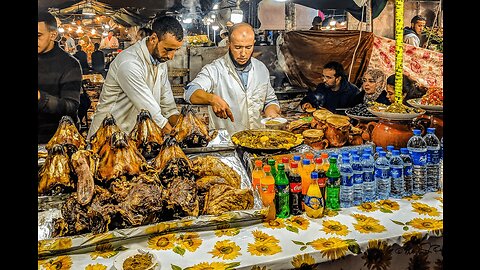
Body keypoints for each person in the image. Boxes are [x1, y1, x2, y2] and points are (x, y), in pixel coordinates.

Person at [87, 16, 184, 139]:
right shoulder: (129, 63)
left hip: (132, 138)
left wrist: (183, 126)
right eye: (168, 49)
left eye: (175, 50)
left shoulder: (161, 63)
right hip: (107, 136)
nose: (171, 56)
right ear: (153, 38)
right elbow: (149, 110)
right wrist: (175, 136)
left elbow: (168, 107)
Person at [184, 22, 281, 136]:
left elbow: (270, 101)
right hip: (227, 143)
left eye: (248, 47)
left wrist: (272, 113)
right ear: (228, 44)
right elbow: (189, 92)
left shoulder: (261, 68)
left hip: (257, 139)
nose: (243, 53)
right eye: (238, 47)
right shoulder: (215, 69)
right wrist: (212, 99)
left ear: (253, 44)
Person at [38, 11, 83, 143]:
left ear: (53, 35)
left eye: (39, 35)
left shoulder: (70, 64)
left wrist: (41, 98)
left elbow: (70, 107)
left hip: (56, 140)